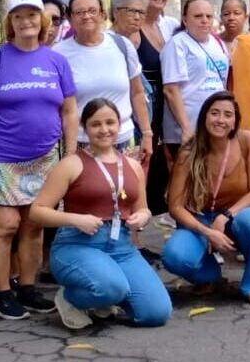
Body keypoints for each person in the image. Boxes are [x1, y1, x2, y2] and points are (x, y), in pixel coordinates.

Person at [0, 0, 78, 321]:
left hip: (45, 157)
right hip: (1, 155)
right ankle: (3, 293)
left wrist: (70, 156)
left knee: (33, 225)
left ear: (42, 21)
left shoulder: (56, 61)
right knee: (6, 224)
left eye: (32, 15)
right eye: (19, 16)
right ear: (10, 22)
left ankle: (27, 287)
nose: (26, 21)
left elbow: (70, 111)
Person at [29, 99, 172, 329]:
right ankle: (72, 298)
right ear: (85, 127)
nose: (104, 130)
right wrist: (75, 219)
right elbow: (37, 212)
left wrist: (143, 217)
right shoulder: (71, 164)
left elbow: (143, 208)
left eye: (110, 123)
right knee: (111, 287)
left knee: (156, 313)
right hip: (79, 245)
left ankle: (105, 296)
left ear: (120, 125)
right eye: (96, 124)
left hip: (122, 248)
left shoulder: (132, 166)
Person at [161, 92, 250, 301]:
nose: (220, 120)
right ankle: (209, 276)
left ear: (234, 122)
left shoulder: (246, 140)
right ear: (204, 117)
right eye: (215, 113)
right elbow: (175, 207)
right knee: (174, 257)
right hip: (198, 219)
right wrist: (207, 232)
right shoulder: (188, 151)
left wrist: (226, 216)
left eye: (227, 115)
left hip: (235, 217)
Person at [56, 0, 153, 164]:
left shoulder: (122, 45)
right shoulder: (58, 53)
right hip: (81, 142)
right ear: (70, 19)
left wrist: (147, 133)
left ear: (102, 15)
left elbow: (137, 93)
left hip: (123, 139)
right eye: (79, 12)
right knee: (87, 191)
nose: (87, 16)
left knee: (126, 190)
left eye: (92, 11)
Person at [112, 0, 170, 221]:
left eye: (141, 12)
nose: (137, 17)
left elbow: (138, 92)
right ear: (116, 12)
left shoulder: (130, 44)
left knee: (135, 183)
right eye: (131, 11)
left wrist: (147, 133)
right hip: (117, 127)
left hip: (139, 125)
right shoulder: (109, 43)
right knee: (119, 185)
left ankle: (134, 241)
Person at [161, 0, 231, 157]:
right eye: (198, 16)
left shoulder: (217, 42)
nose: (204, 20)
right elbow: (171, 90)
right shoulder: (177, 44)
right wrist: (186, 128)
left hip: (214, 128)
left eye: (208, 16)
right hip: (187, 130)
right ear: (185, 20)